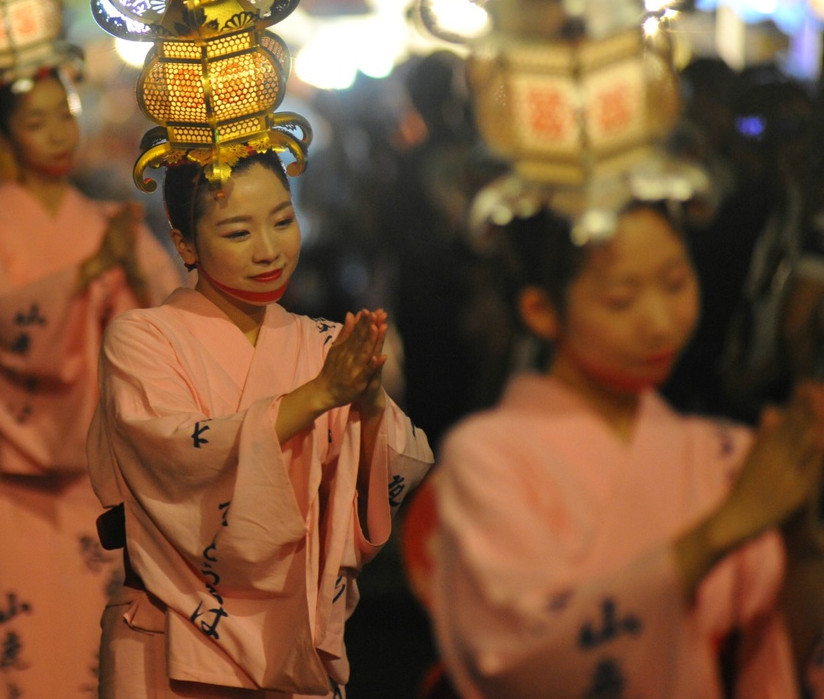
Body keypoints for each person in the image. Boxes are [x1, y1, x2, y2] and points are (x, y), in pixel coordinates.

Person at [425, 203, 824, 698]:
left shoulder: (723, 451)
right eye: (622, 299)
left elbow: (793, 654)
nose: (661, 323)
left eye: (676, 284)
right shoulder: (487, 454)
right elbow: (521, 657)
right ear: (543, 311)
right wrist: (722, 529)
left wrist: (800, 538)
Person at [88, 151, 434, 697]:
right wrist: (321, 394)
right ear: (184, 244)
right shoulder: (143, 338)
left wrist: (367, 402)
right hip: (174, 626)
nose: (270, 251)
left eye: (283, 221)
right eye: (237, 232)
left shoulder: (322, 342)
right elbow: (176, 454)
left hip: (295, 630)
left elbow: (379, 484)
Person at [0, 72, 182, 697]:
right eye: (36, 122)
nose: (58, 134)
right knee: (21, 629)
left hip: (97, 466)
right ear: (3, 134)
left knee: (94, 636)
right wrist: (88, 271)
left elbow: (172, 327)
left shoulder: (113, 222)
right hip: (9, 468)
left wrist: (129, 266)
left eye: (64, 114)